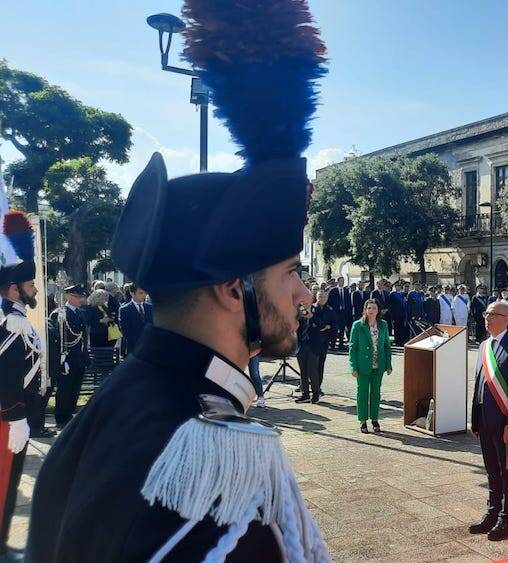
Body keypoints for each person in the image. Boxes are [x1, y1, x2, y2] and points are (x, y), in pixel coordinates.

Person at [26, 2, 330, 558]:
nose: (305, 293)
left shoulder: (113, 403)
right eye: (290, 272)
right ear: (233, 286)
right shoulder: (217, 472)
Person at [0, 211, 45, 559]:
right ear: (15, 288)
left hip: (18, 413)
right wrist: (15, 414)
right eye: (30, 286)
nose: (35, 290)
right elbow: (6, 372)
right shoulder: (11, 323)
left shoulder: (16, 319)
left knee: (11, 483)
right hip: (7, 417)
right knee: (4, 484)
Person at [470, 301, 508, 541]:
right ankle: (492, 512)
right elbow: (478, 385)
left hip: (506, 422)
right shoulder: (484, 346)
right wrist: (474, 419)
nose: (487, 318)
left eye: (493, 314)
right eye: (486, 314)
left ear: (507, 318)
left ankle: (507, 517)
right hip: (484, 419)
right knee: (491, 469)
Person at [349, 299, 392, 433]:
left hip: (378, 365)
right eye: (369, 308)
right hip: (362, 365)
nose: (372, 311)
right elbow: (353, 347)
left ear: (378, 310)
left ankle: (375, 419)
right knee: (362, 393)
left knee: (376, 393)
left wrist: (388, 364)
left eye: (374, 308)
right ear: (365, 310)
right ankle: (363, 421)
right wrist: (353, 367)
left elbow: (386, 345)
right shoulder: (358, 325)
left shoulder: (383, 325)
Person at [50, 284, 89, 429]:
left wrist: (85, 355)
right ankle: (61, 417)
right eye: (76, 297)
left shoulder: (80, 313)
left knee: (75, 389)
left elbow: (83, 336)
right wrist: (60, 358)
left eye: (81, 297)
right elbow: (57, 338)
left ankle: (69, 414)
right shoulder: (60, 313)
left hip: (79, 357)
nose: (80, 300)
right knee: (65, 389)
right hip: (66, 357)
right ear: (68, 296)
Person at [85, 288, 121, 385]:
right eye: (104, 297)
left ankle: (107, 375)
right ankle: (99, 376)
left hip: (107, 334)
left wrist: (110, 318)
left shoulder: (104, 306)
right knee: (98, 355)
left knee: (108, 355)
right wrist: (100, 321)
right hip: (97, 334)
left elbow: (108, 315)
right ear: (97, 298)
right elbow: (88, 321)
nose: (106, 299)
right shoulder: (90, 307)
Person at [307, 289, 335, 396]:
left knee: (320, 365)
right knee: (311, 366)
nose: (322, 299)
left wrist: (329, 327)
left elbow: (334, 324)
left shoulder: (330, 310)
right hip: (312, 341)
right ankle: (311, 387)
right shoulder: (312, 308)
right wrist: (324, 326)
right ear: (316, 297)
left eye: (324, 297)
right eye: (320, 296)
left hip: (324, 341)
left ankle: (318, 388)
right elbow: (312, 322)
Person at [118, 283, 153, 357]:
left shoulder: (150, 307)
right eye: (140, 293)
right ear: (132, 293)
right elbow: (126, 331)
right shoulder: (124, 309)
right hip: (134, 347)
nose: (144, 295)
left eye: (145, 293)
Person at [389, 281, 407, 346]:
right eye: (397, 286)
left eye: (399, 286)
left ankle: (401, 341)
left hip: (402, 315)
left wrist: (405, 316)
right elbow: (391, 306)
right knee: (396, 329)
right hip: (396, 315)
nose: (398, 287)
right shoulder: (392, 294)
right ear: (395, 287)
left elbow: (405, 306)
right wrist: (392, 316)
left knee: (402, 329)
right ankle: (397, 341)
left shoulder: (403, 294)